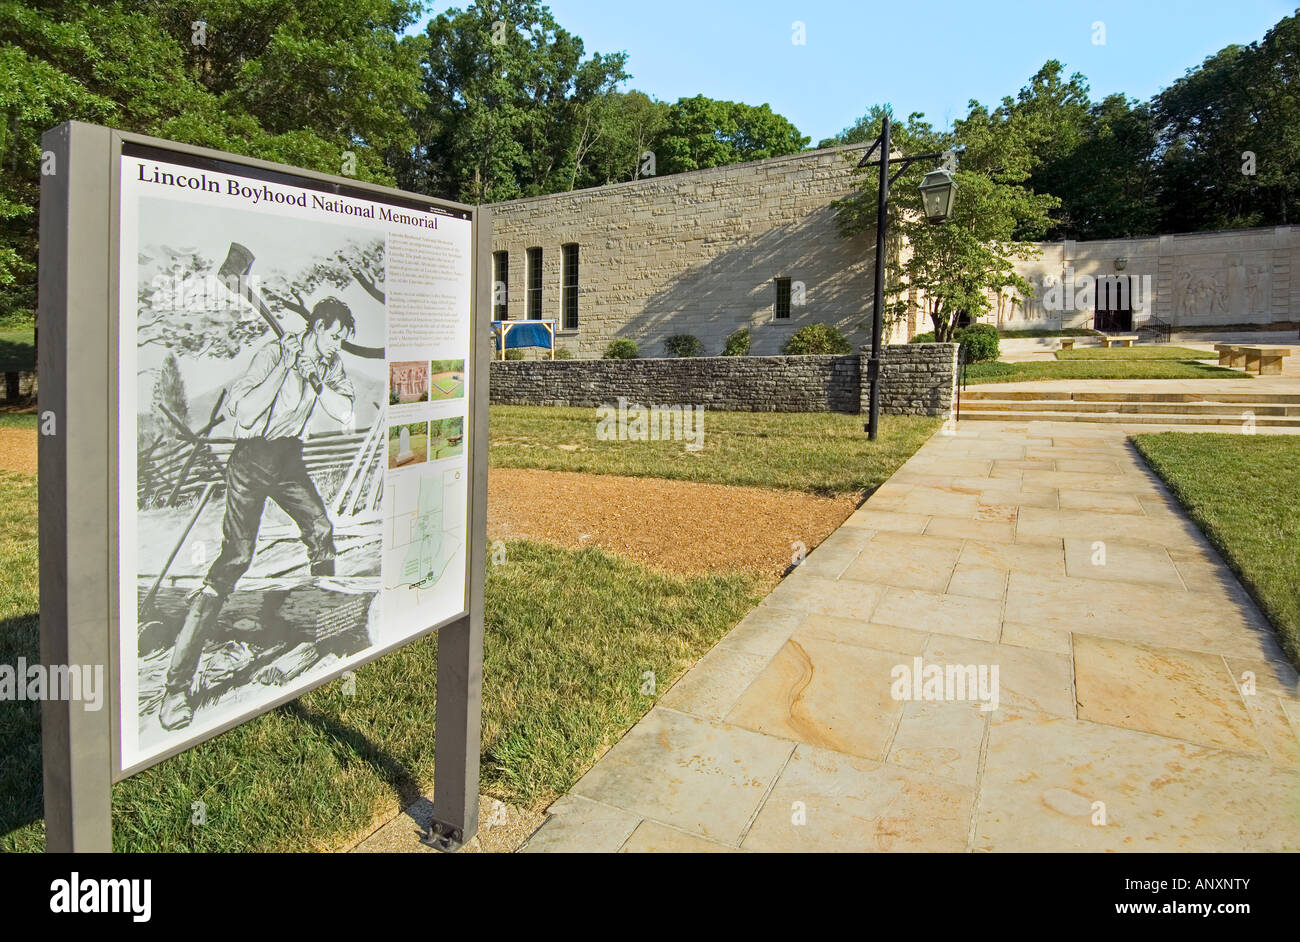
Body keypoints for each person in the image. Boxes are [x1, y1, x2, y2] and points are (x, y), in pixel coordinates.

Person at [159, 297, 357, 730]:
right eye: (334, 337)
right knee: (237, 558)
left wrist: (317, 382)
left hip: (289, 459)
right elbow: (243, 412)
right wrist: (285, 369)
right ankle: (176, 688)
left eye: (342, 340)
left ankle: (325, 622)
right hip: (251, 458)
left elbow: (346, 413)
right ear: (318, 327)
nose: (337, 346)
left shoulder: (328, 364)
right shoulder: (272, 353)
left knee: (321, 528)